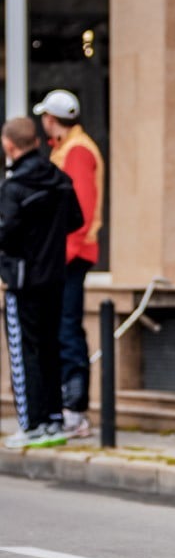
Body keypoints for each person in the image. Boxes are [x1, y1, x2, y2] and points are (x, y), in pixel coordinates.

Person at [0, 117, 83, 448]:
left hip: (23, 281)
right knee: (50, 347)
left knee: (25, 352)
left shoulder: (14, 187)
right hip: (55, 278)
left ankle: (31, 424)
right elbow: (76, 219)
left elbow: (4, 233)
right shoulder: (59, 179)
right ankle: (53, 421)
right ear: (36, 141)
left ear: (10, 146)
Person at [33, 89, 104, 439]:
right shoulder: (67, 147)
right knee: (63, 329)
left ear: (50, 118)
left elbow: (80, 212)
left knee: (67, 330)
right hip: (65, 256)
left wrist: (58, 258)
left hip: (69, 258)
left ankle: (75, 412)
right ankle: (69, 409)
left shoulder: (77, 150)